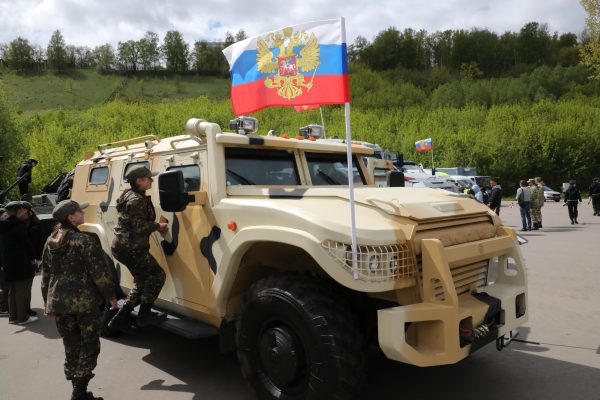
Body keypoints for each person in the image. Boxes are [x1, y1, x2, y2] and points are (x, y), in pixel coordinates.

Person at [42, 200, 117, 400]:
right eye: (79, 212)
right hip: (84, 303)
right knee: (90, 344)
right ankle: (79, 393)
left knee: (72, 345)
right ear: (70, 217)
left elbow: (45, 275)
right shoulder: (84, 241)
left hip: (59, 302)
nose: (83, 214)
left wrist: (47, 302)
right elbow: (100, 273)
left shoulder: (51, 240)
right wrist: (110, 295)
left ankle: (78, 390)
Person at [108, 166, 169, 333]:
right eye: (149, 178)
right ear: (139, 181)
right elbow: (140, 228)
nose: (152, 181)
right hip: (130, 248)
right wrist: (159, 226)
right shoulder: (136, 200)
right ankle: (144, 314)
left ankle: (119, 319)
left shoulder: (131, 194)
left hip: (125, 246)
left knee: (142, 281)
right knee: (157, 275)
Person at [0, 201, 38, 325]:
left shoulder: (4, 225)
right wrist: (34, 258)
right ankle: (22, 318)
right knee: (22, 290)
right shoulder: (19, 225)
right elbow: (26, 244)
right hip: (21, 262)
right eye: (22, 210)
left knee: (12, 290)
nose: (25, 211)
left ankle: (13, 317)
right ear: (17, 211)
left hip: (8, 262)